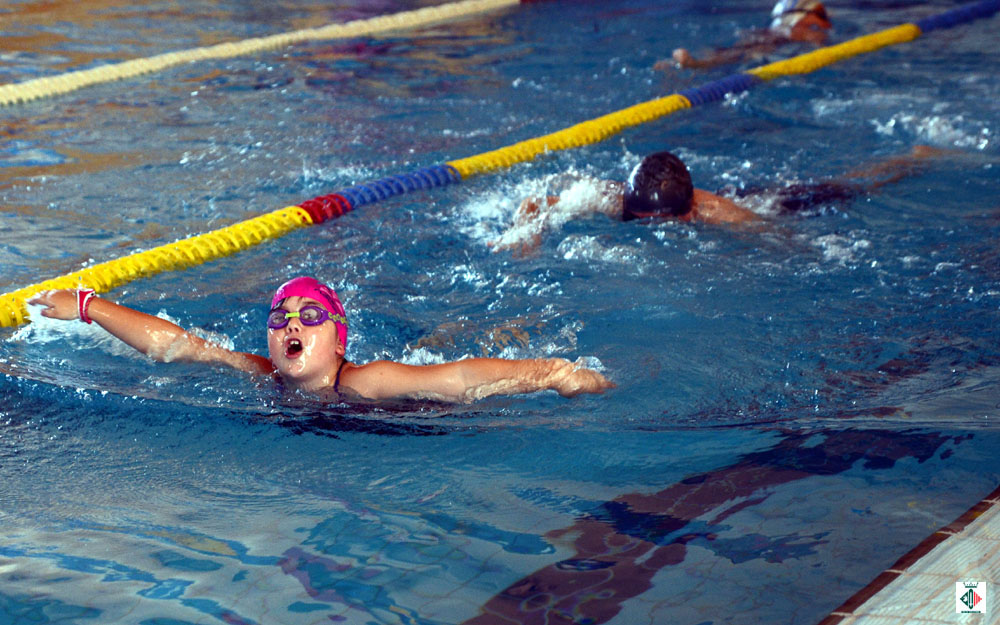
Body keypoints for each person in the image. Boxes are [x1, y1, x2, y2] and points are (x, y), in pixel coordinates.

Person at [27, 276, 614, 403]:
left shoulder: (367, 380)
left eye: (311, 316)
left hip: (422, 429)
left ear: (339, 340)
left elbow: (461, 379)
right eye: (281, 315)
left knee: (449, 348)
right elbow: (177, 345)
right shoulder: (261, 374)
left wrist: (556, 373)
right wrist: (86, 306)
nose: (291, 325)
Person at [492, 145, 942, 253]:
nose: (652, 230)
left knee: (844, 188)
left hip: (763, 201)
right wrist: (524, 233)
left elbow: (781, 239)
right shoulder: (614, 200)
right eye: (641, 219)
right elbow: (538, 199)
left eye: (662, 222)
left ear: (687, 212)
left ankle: (911, 158)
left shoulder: (720, 215)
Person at [658, 0, 832, 71]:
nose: (824, 22)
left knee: (733, 53)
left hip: (758, 51)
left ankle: (689, 64)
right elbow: (818, 43)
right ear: (802, 17)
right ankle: (694, 63)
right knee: (736, 55)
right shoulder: (797, 31)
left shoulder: (776, 32)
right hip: (764, 52)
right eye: (819, 14)